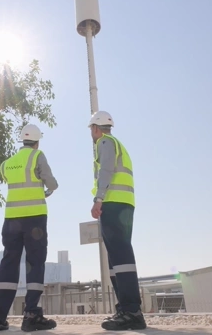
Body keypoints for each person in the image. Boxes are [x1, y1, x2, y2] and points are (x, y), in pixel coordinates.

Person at [0, 124, 59, 333]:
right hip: (34, 219)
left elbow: (9, 179)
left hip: (11, 220)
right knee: (35, 263)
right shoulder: (37, 156)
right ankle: (31, 315)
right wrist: (49, 189)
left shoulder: (7, 164)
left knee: (9, 263)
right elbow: (51, 182)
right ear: (37, 141)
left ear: (21, 140)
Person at [88, 111, 146, 331]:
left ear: (95, 128)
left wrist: (98, 198)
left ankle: (131, 311)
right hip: (123, 203)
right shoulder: (116, 142)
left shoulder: (105, 142)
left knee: (120, 256)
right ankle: (125, 309)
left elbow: (106, 171)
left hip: (113, 203)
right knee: (117, 258)